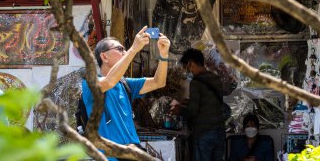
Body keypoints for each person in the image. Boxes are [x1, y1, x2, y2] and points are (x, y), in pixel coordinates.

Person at [82, 26, 170, 161]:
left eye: (125, 49)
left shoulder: (125, 84)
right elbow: (110, 81)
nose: (124, 52)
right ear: (104, 56)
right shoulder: (91, 82)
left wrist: (164, 55)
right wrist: (133, 49)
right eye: (119, 49)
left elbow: (159, 82)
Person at [170, 48, 226, 161]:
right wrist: (189, 102)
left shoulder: (196, 83)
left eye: (186, 67)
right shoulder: (216, 79)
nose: (188, 71)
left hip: (204, 133)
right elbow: (210, 102)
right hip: (220, 132)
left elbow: (192, 111)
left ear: (191, 63)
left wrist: (179, 110)